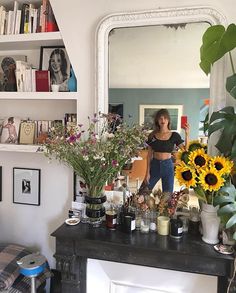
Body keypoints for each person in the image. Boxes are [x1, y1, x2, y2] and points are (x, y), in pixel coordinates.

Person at [144, 109, 189, 193]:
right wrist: (147, 173)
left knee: (167, 195)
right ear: (157, 121)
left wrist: (187, 133)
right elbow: (149, 155)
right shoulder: (152, 136)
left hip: (168, 166)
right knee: (143, 192)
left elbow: (185, 149)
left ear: (168, 120)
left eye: (165, 118)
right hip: (155, 166)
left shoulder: (174, 135)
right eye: (160, 118)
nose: (163, 120)